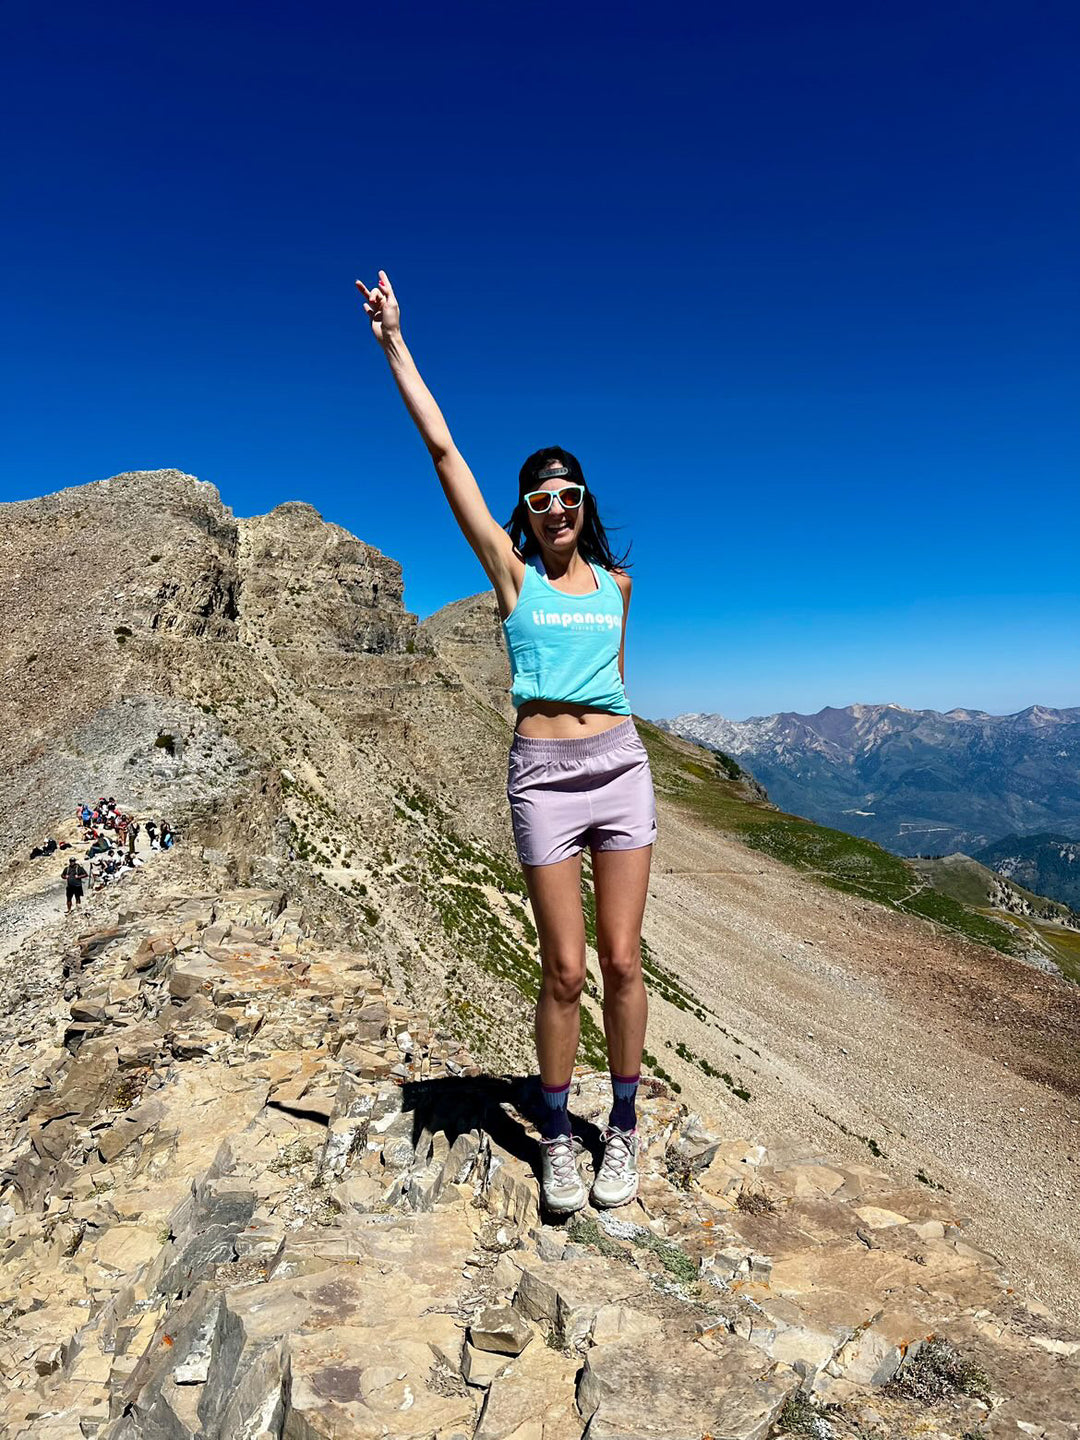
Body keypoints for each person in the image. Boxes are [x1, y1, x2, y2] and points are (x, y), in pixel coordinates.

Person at [356, 271, 657, 1214]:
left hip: (620, 770)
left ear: (584, 502)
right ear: (524, 514)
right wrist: (396, 344)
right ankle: (559, 1136)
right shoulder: (511, 574)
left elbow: (611, 680)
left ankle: (627, 1129)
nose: (555, 507)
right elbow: (445, 452)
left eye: (568, 494)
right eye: (540, 497)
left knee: (622, 961)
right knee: (563, 968)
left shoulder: (618, 585)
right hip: (543, 777)